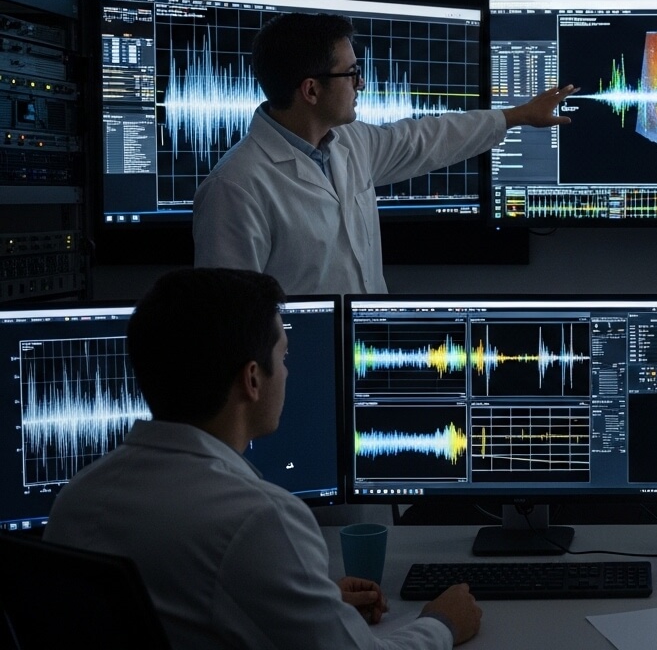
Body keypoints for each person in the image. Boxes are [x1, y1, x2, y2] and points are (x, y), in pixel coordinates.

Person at [45, 268, 481, 649]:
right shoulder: (260, 521)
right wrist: (441, 623)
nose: (288, 371)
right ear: (252, 379)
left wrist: (306, 597)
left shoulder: (74, 502)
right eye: (283, 355)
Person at [193, 12, 579, 295]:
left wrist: (517, 116)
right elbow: (231, 318)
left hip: (362, 350)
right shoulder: (235, 187)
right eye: (351, 73)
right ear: (310, 90)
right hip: (295, 374)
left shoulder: (349, 141)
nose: (361, 83)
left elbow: (429, 138)